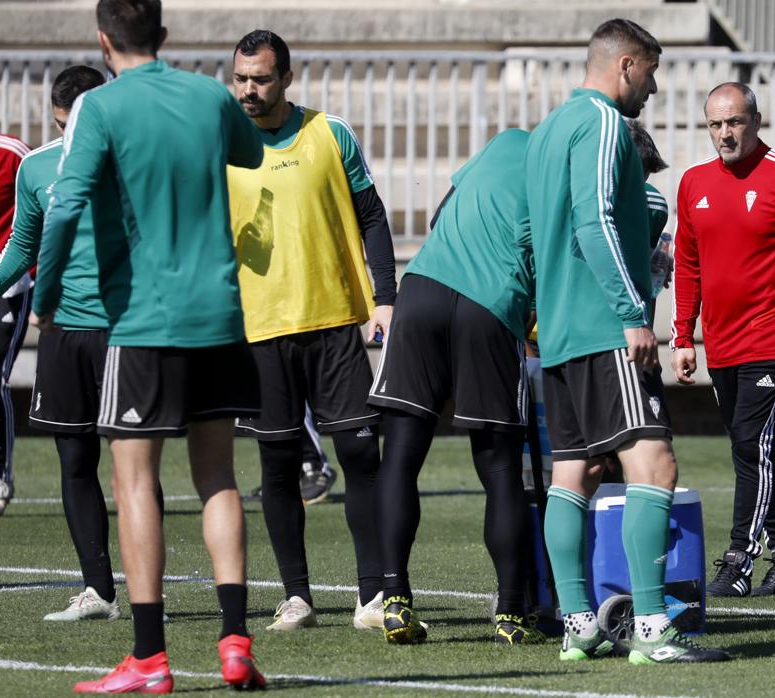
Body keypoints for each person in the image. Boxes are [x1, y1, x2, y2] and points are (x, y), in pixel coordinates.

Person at [37, 1, 267, 691]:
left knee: (134, 479)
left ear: (102, 39)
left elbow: (65, 206)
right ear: (163, 35)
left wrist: (46, 299)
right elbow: (251, 154)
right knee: (218, 478)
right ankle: (233, 642)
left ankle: (149, 656)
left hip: (144, 323)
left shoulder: (99, 109)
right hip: (222, 317)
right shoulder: (209, 95)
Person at [525, 18, 729, 664]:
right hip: (604, 327)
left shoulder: (545, 133)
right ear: (627, 66)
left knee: (573, 474)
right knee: (654, 466)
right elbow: (596, 222)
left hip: (557, 335)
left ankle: (579, 624)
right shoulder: (606, 123)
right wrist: (632, 312)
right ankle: (651, 629)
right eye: (653, 72)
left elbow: (535, 238)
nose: (654, 87)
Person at [228, 29, 397, 632]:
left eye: (262, 79)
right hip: (259, 329)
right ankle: (296, 595)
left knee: (357, 451)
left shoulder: (331, 132)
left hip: (332, 321)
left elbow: (371, 215)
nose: (250, 90)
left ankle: (372, 594)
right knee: (276, 463)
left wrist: (385, 298)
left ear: (287, 78)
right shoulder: (219, 143)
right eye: (242, 78)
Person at [368, 127, 541, 646]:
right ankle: (512, 614)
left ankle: (394, 599)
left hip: (421, 290)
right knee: (500, 468)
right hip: (490, 307)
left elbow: (443, 211)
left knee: (399, 456)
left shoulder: (509, 140)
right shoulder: (572, 169)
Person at [672, 82, 775, 598]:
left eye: (735, 122)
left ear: (757, 121)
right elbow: (687, 263)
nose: (726, 133)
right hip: (720, 345)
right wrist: (682, 336)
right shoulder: (693, 182)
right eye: (717, 124)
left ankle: (740, 560)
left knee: (753, 445)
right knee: (755, 452)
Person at [0, 65, 137, 622]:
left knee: (134, 467)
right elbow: (21, 248)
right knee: (75, 461)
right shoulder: (37, 168)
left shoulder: (137, 161)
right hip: (61, 334)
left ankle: (146, 590)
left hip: (127, 331)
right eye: (60, 126)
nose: (68, 139)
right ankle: (99, 591)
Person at [0, 128, 29, 518]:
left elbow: (38, 210)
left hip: (7, 288)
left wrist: (32, 273)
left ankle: (1, 474)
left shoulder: (13, 153)